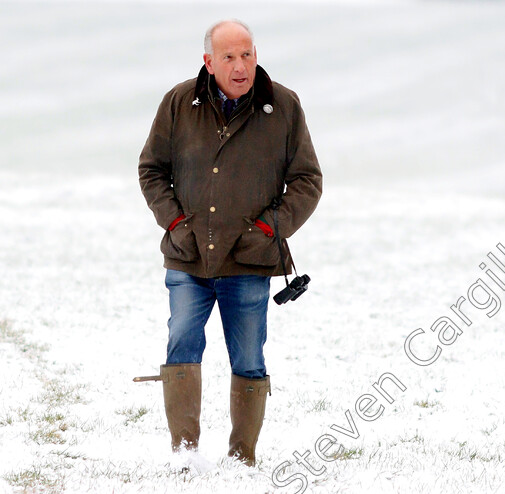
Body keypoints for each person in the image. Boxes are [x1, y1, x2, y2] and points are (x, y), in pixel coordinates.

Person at [137, 19, 322, 467]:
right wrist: (177, 223)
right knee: (181, 339)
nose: (241, 66)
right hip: (188, 256)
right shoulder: (179, 102)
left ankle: (243, 457)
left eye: (248, 54)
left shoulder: (284, 105)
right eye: (229, 57)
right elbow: (152, 170)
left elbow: (306, 181)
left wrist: (266, 231)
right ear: (209, 62)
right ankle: (185, 453)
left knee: (248, 355)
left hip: (249, 260)